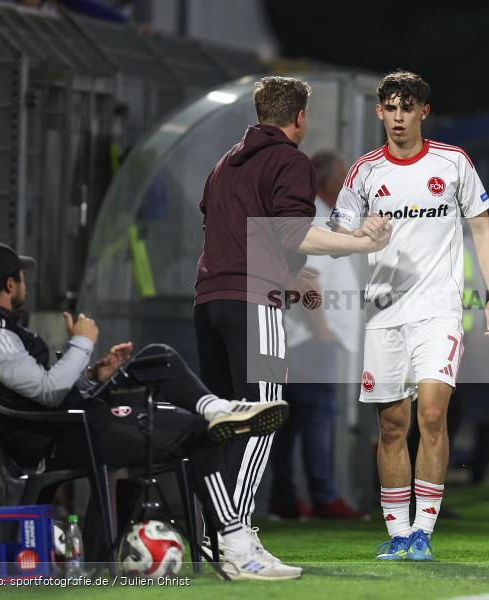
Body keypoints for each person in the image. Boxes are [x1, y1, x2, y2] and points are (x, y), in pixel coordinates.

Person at [0, 243, 291, 580]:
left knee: (157, 360)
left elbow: (40, 389)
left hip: (77, 425)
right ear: (8, 285)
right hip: (67, 437)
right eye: (21, 278)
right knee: (200, 432)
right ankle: (234, 544)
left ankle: (216, 409)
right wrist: (82, 343)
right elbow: (48, 392)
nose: (24, 285)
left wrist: (93, 375)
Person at [193, 76, 390, 573]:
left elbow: (225, 231)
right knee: (261, 422)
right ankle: (234, 540)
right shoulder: (290, 160)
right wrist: (363, 243)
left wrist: (287, 272)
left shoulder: (223, 165)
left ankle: (212, 536)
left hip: (209, 302)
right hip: (253, 302)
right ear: (299, 117)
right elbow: (294, 231)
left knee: (223, 426)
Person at [329, 71, 489, 561]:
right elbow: (336, 238)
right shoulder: (364, 172)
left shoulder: (453, 163)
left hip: (439, 312)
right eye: (391, 107)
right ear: (378, 112)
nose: (399, 117)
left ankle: (424, 531)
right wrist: (362, 230)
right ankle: (398, 531)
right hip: (384, 314)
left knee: (431, 413)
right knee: (390, 426)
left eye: (408, 107)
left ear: (424, 112)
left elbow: (483, 228)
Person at [268, 151, 365, 520]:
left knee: (290, 421)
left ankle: (286, 498)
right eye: (342, 177)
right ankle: (323, 495)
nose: (346, 185)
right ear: (327, 182)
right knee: (318, 416)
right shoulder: (316, 220)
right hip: (312, 338)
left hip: (298, 337)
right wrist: (322, 331)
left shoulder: (312, 217)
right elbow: (309, 280)